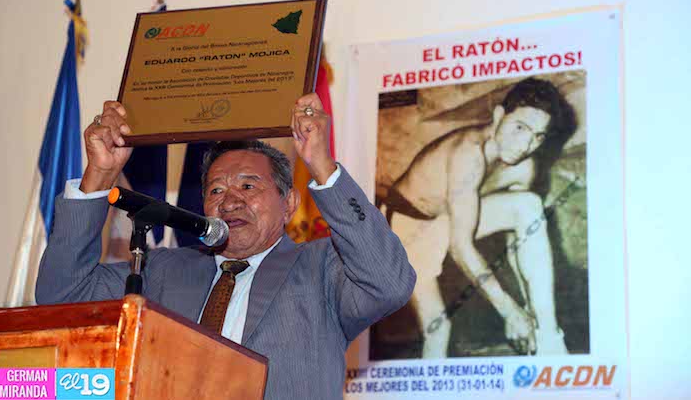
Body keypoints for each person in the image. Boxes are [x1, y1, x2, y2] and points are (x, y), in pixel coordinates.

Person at [36, 93, 416, 400]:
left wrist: (321, 164)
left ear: (289, 204)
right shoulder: (165, 270)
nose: (230, 201)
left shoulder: (321, 267)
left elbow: (389, 282)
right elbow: (63, 293)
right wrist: (100, 174)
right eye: (216, 190)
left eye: (249, 186)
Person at [380, 77, 571, 358]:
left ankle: (549, 338)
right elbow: (461, 247)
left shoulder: (523, 167)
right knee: (438, 330)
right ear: (498, 116)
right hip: (405, 229)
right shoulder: (468, 153)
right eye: (520, 128)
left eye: (538, 136)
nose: (525, 144)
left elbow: (520, 243)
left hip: (448, 221)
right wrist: (509, 311)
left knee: (528, 205)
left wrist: (527, 311)